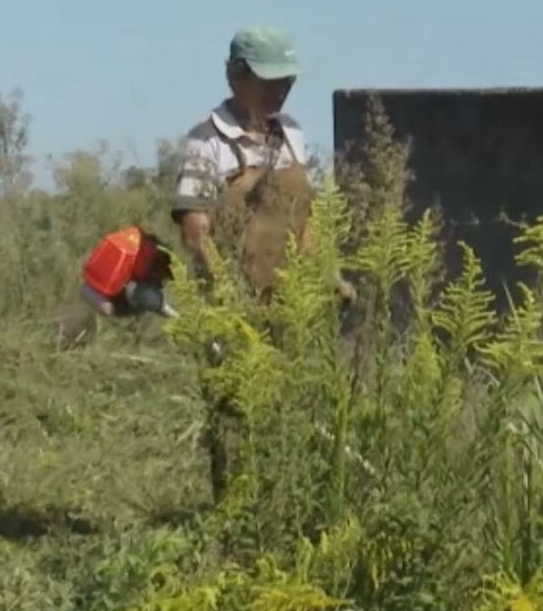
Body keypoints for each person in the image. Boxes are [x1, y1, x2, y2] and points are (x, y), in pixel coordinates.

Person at [170, 26, 353, 502]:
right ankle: (234, 516)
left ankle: (281, 506)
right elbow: (195, 231)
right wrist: (226, 300)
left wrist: (324, 273)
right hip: (230, 305)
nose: (280, 90)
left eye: (286, 81)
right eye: (269, 80)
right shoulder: (205, 142)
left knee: (288, 410)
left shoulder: (290, 134)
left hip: (286, 301)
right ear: (235, 77)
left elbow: (302, 221)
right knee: (235, 416)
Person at [79, 225, 176, 319]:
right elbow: (145, 296)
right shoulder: (148, 261)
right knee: (142, 297)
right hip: (99, 294)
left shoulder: (136, 242)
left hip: (89, 282)